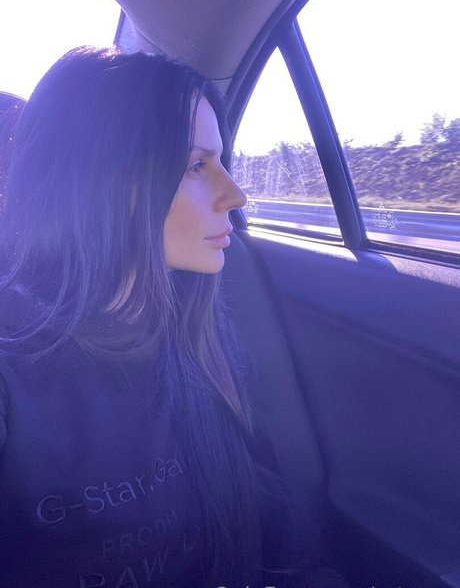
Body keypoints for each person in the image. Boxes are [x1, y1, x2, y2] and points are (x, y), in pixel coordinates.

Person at [0, 47, 349, 588]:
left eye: (221, 161)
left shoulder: (200, 330)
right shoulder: (14, 368)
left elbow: (270, 525)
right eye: (195, 166)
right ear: (98, 182)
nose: (236, 194)